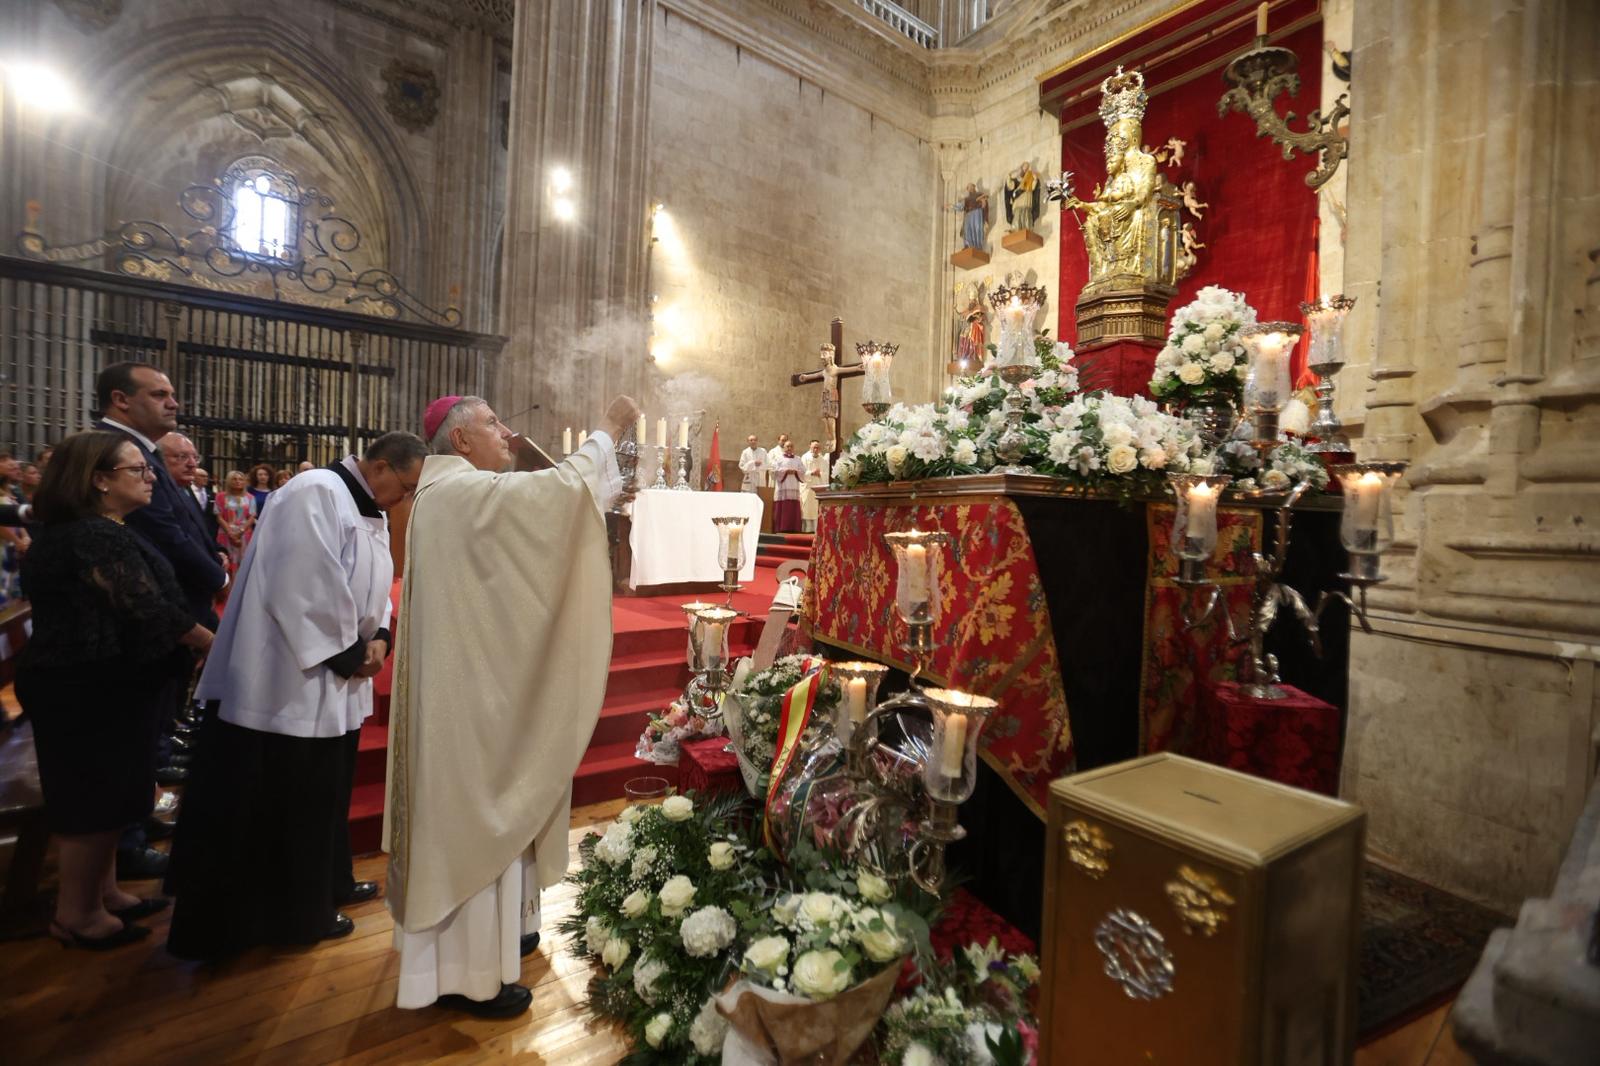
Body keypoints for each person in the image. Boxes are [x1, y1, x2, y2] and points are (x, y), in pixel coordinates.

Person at [386, 392, 635, 1018]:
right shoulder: (460, 494)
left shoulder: (451, 495)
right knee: (474, 808)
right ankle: (466, 976)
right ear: (460, 440)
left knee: (490, 797)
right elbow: (556, 496)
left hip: (472, 685)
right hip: (465, 704)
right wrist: (607, 428)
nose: (507, 433)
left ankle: (507, 935)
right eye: (492, 424)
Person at [166, 432, 428, 961]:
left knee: (323, 795)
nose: (402, 501)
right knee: (286, 802)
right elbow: (304, 587)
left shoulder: (370, 508)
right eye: (403, 487)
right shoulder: (314, 491)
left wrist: (380, 636)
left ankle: (326, 884)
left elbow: (377, 585)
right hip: (283, 684)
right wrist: (356, 655)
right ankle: (287, 912)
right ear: (378, 468)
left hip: (333, 680)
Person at [16, 431, 212, 949]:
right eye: (136, 471)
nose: (150, 477)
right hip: (84, 684)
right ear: (99, 480)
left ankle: (104, 892)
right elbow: (143, 607)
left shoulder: (103, 527)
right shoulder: (90, 535)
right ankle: (76, 914)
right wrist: (211, 641)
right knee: (92, 801)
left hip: (105, 682)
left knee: (115, 794)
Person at [94, 361, 226, 868]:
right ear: (120, 400)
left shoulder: (141, 451)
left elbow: (185, 525)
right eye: (159, 393)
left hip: (171, 610)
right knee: (132, 736)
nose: (173, 402)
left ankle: (137, 822)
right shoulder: (113, 450)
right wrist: (214, 577)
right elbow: (163, 532)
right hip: (150, 620)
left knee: (149, 728)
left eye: (172, 393)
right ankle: (125, 842)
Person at [216, 470, 256, 570]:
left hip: (244, 534)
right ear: (229, 481)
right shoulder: (220, 496)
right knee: (226, 563)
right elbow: (219, 516)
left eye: (241, 479)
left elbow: (252, 517)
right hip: (225, 533)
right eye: (234, 479)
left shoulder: (250, 497)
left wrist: (240, 531)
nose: (238, 481)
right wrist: (230, 533)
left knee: (243, 564)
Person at [772, 441, 806, 532]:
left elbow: (803, 470)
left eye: (791, 446)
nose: (789, 448)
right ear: (784, 447)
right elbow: (775, 471)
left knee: (793, 507)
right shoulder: (779, 458)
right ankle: (781, 527)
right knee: (783, 507)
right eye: (787, 446)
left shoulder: (798, 459)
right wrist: (786, 471)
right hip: (783, 486)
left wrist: (795, 471)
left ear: (793, 448)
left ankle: (794, 527)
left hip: (794, 486)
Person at [800, 439, 830, 533]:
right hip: (808, 487)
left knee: (816, 508)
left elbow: (826, 473)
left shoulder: (823, 460)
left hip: (818, 486)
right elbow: (801, 472)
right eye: (814, 447)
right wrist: (811, 473)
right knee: (807, 508)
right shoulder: (804, 457)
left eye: (818, 448)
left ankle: (816, 528)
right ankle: (807, 529)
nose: (816, 449)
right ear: (810, 447)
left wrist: (820, 473)